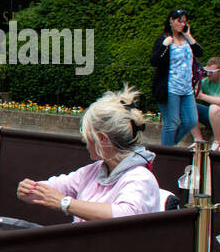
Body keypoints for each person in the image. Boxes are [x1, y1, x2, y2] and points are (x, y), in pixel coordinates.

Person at [17, 86, 160, 221]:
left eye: (87, 134)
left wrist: (66, 203)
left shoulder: (141, 178)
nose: (84, 140)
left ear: (102, 139)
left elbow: (126, 215)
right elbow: (56, 187)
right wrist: (30, 189)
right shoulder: (94, 172)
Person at [150, 8, 204, 147]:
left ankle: (168, 147)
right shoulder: (164, 39)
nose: (182, 24)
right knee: (171, 123)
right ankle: (167, 152)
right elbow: (154, 61)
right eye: (179, 21)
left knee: (191, 121)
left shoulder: (186, 39)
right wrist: (164, 45)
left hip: (186, 88)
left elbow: (199, 52)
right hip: (170, 87)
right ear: (171, 21)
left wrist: (189, 36)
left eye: (184, 22)